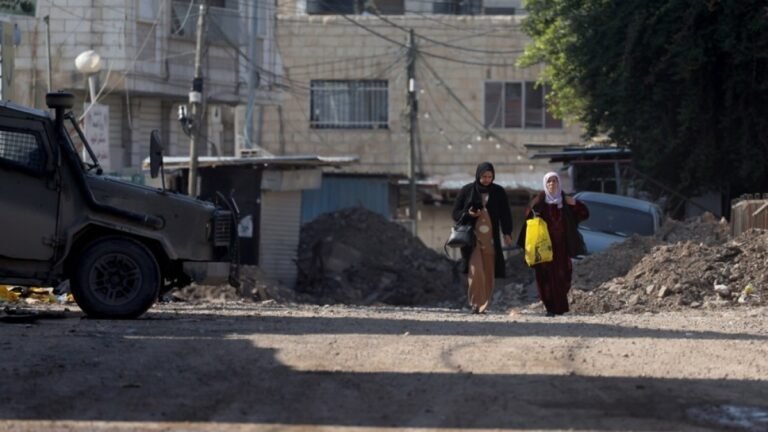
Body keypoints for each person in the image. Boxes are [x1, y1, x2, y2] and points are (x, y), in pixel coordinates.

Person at [518, 172, 589, 317]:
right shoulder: (539, 202)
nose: (552, 184)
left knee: (564, 275)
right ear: (545, 184)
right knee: (545, 277)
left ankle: (561, 307)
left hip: (562, 247)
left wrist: (575, 203)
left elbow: (585, 214)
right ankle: (550, 308)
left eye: (555, 181)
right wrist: (532, 209)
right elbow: (528, 219)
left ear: (559, 183)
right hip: (543, 247)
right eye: (549, 182)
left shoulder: (565, 202)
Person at [451, 162, 514, 314]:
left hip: (491, 240)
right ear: (478, 175)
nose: (486, 180)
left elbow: (506, 214)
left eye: (489, 177)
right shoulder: (467, 190)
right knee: (475, 271)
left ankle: (484, 304)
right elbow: (455, 213)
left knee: (489, 272)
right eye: (484, 176)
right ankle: (475, 304)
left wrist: (507, 233)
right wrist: (468, 214)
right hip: (472, 240)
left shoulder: (499, 192)